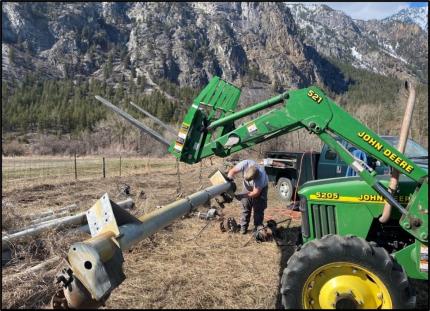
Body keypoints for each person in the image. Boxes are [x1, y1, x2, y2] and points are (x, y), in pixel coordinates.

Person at [227, 159, 269, 234]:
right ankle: (243, 228)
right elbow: (232, 171)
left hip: (260, 190)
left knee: (258, 209)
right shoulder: (245, 163)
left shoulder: (260, 175)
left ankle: (258, 229)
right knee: (245, 206)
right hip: (247, 187)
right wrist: (228, 182)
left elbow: (256, 193)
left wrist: (242, 195)